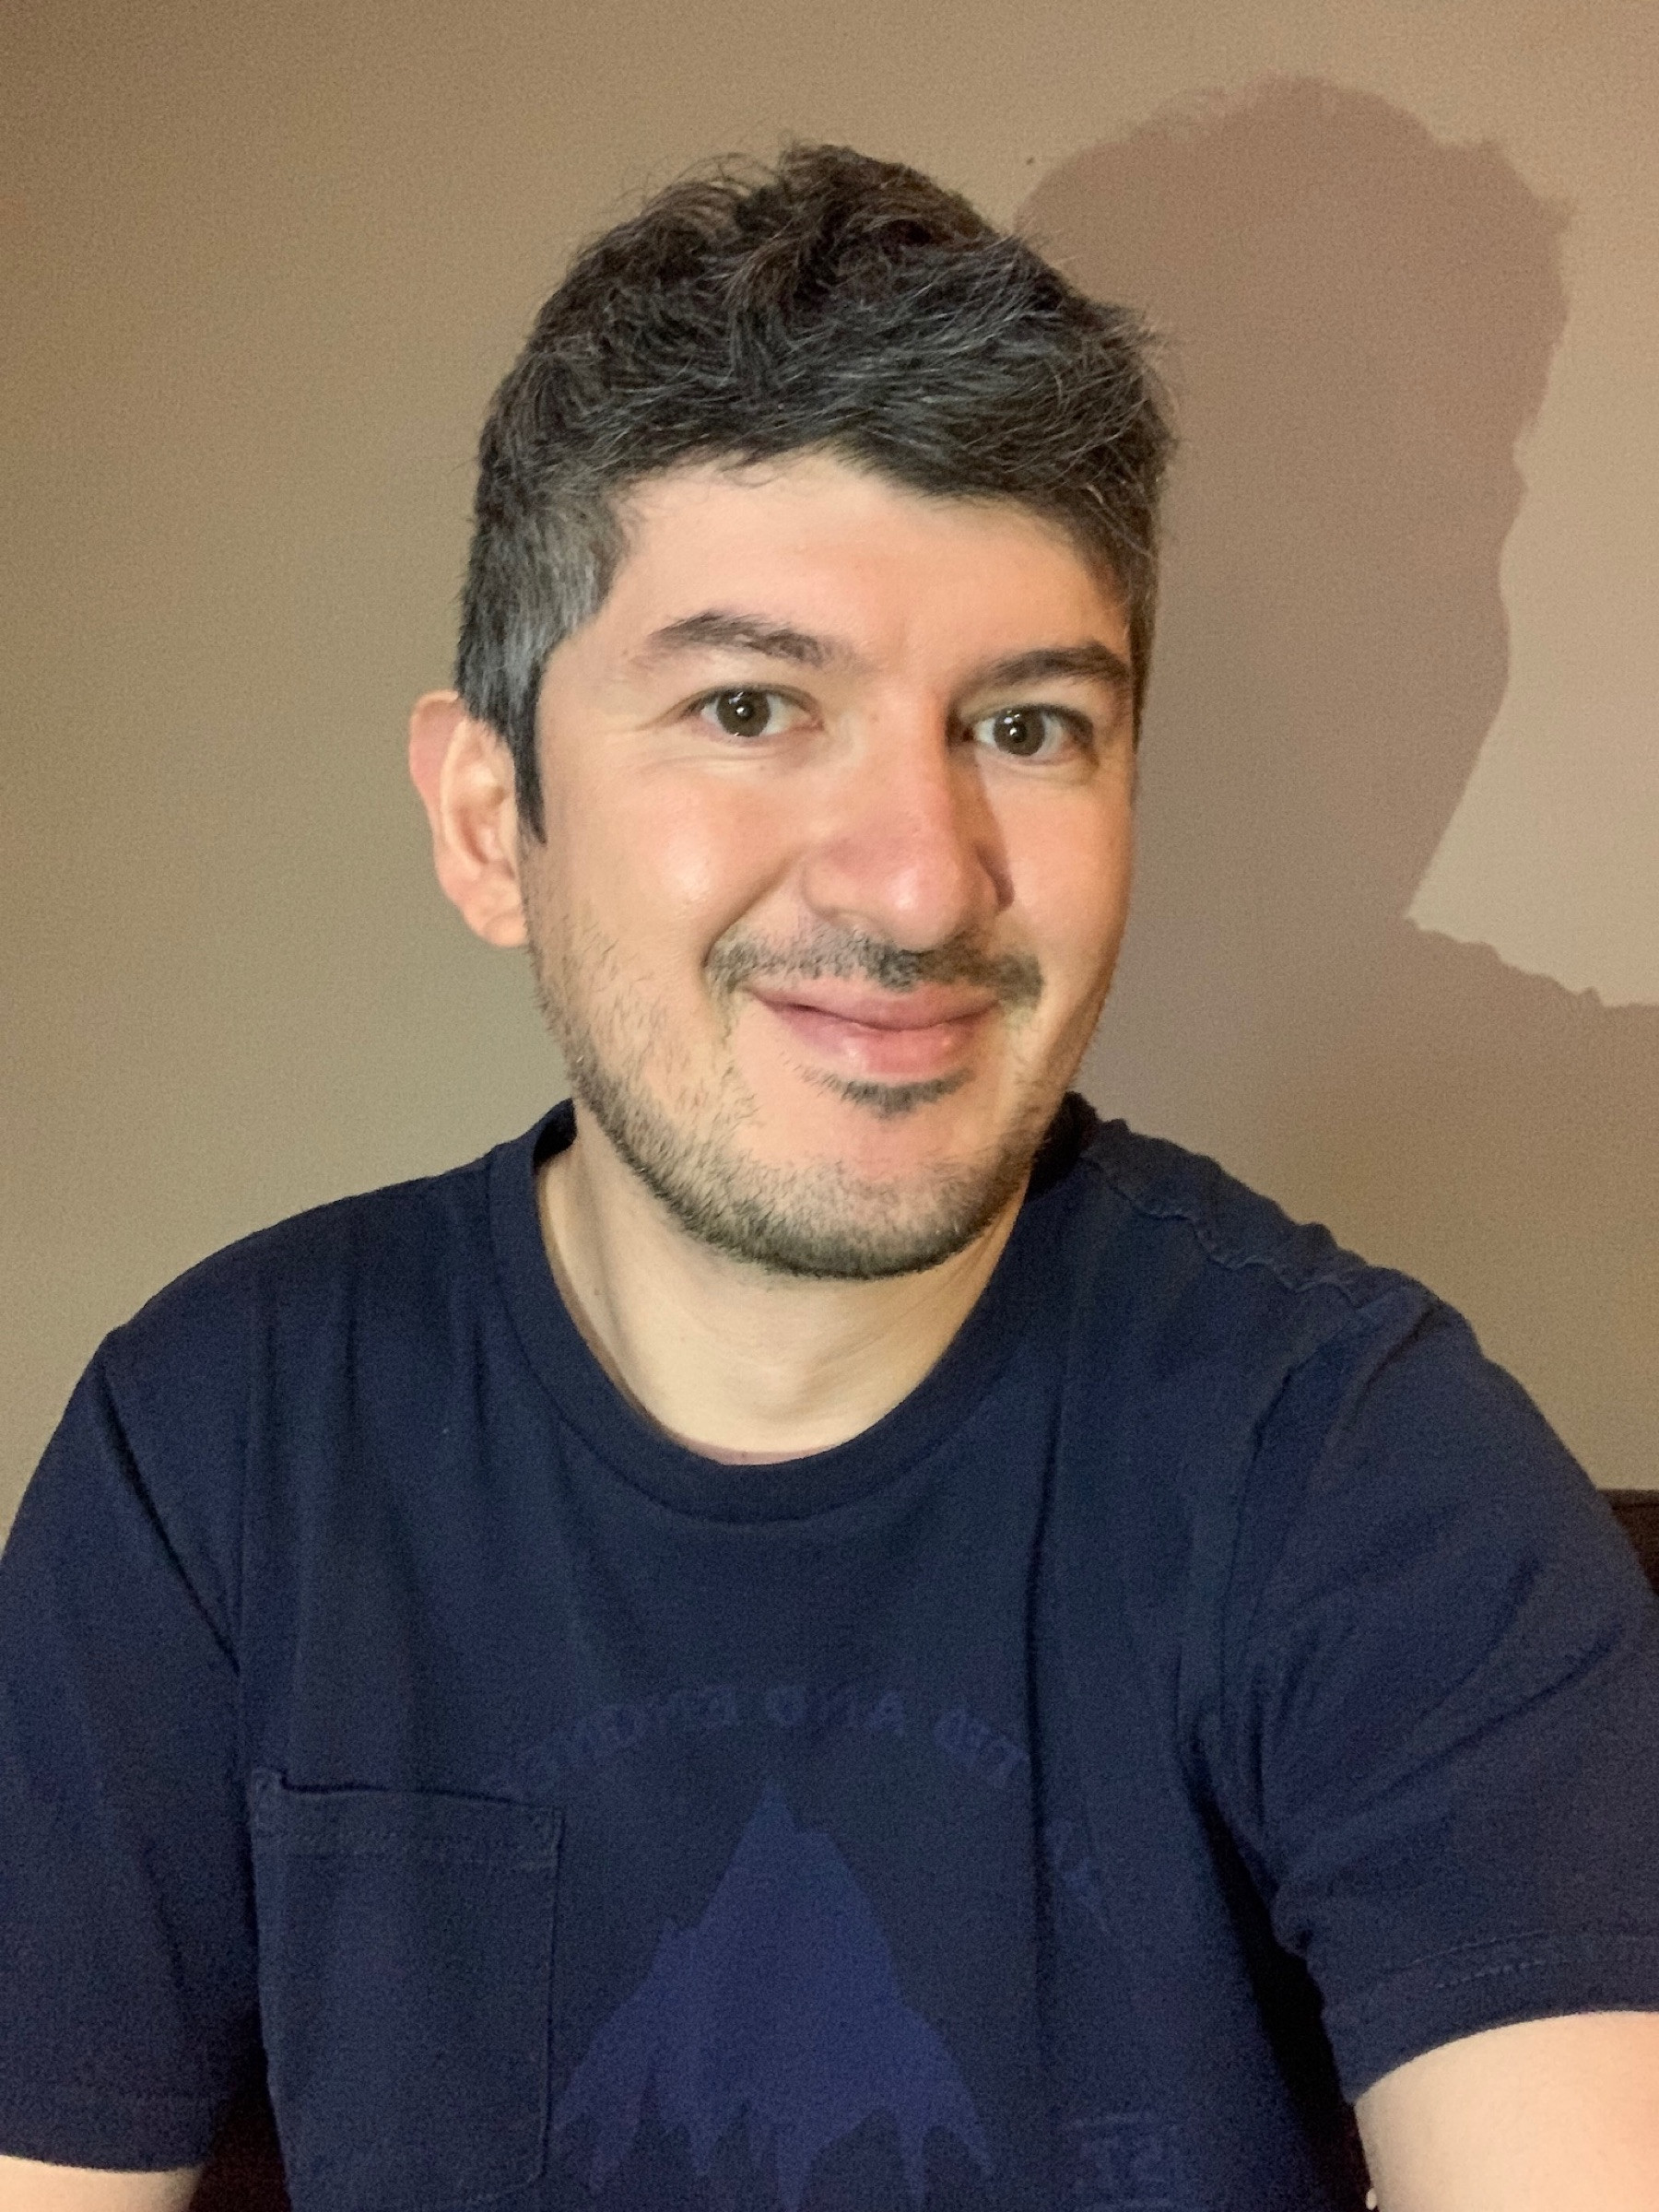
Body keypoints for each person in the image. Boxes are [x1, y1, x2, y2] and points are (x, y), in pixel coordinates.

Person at [1, 144, 1655, 2212]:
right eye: (752, 705)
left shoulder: (1371, 1478)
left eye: (1027, 728)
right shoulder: (221, 1449)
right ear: (491, 819)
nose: (919, 882)